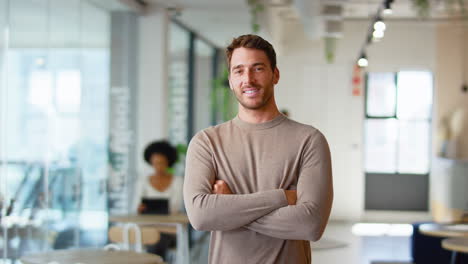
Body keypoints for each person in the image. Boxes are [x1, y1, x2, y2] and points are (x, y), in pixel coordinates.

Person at [183, 34, 333, 264]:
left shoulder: (309, 140)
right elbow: (201, 216)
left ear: (276, 74)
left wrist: (230, 205)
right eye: (239, 71)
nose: (248, 79)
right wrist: (281, 198)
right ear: (231, 79)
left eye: (258, 68)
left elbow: (310, 225)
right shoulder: (207, 142)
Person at [134, 140, 183, 259]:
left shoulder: (178, 181)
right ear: (150, 162)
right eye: (155, 163)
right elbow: (136, 206)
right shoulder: (143, 181)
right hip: (146, 227)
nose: (158, 166)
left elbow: (175, 207)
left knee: (157, 241)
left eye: (161, 163)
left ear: (168, 163)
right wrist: (140, 208)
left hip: (169, 229)